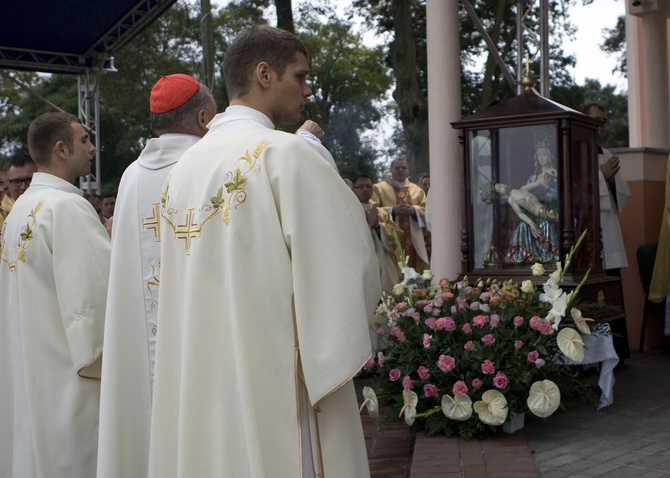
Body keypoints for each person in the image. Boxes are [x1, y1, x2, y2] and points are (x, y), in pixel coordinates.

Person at [148, 25, 380, 478]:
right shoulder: (284, 154)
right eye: (300, 75)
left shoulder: (183, 169)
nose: (308, 89)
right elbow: (347, 264)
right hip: (278, 377)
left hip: (204, 374)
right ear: (264, 74)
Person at [96, 74, 217, 478]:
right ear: (202, 117)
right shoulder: (208, 165)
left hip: (142, 338)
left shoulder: (131, 176)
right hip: (201, 332)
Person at [0, 112, 110, 477]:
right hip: (70, 379)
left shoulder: (20, 209)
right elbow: (97, 303)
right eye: (83, 140)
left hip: (33, 367)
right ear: (61, 149)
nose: (92, 147)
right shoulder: (67, 207)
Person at [584, 102, 631, 361]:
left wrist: (609, 180)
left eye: (604, 121)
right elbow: (573, 191)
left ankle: (618, 354)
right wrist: (601, 177)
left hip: (609, 235)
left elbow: (622, 195)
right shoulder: (573, 151)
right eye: (597, 120)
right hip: (588, 238)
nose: (602, 126)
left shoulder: (606, 153)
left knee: (612, 296)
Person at [505, 142, 559, 264]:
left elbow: (558, 195)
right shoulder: (533, 177)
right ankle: (524, 256)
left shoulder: (555, 176)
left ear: (550, 156)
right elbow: (523, 193)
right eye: (539, 155)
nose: (541, 158)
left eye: (544, 155)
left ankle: (548, 256)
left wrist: (545, 190)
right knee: (523, 226)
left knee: (546, 224)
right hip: (532, 213)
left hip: (548, 211)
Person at [372, 158, 429, 272]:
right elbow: (373, 210)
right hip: (391, 239)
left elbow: (427, 212)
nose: (401, 170)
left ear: (408, 170)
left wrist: (414, 210)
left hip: (413, 241)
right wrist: (392, 210)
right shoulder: (379, 188)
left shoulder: (417, 190)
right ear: (391, 170)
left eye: (404, 168)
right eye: (397, 168)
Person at [352, 173, 401, 292]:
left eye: (369, 186)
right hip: (358, 260)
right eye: (361, 186)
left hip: (382, 259)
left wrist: (378, 226)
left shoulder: (381, 213)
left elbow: (397, 234)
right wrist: (367, 226)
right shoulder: (349, 211)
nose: (365, 190)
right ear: (353, 189)